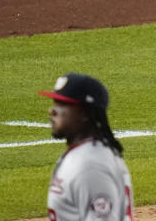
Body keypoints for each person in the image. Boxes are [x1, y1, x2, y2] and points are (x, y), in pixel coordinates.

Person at [39, 72, 135, 220]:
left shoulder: (90, 167)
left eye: (62, 104)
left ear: (84, 113)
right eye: (55, 103)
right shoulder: (84, 154)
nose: (52, 110)